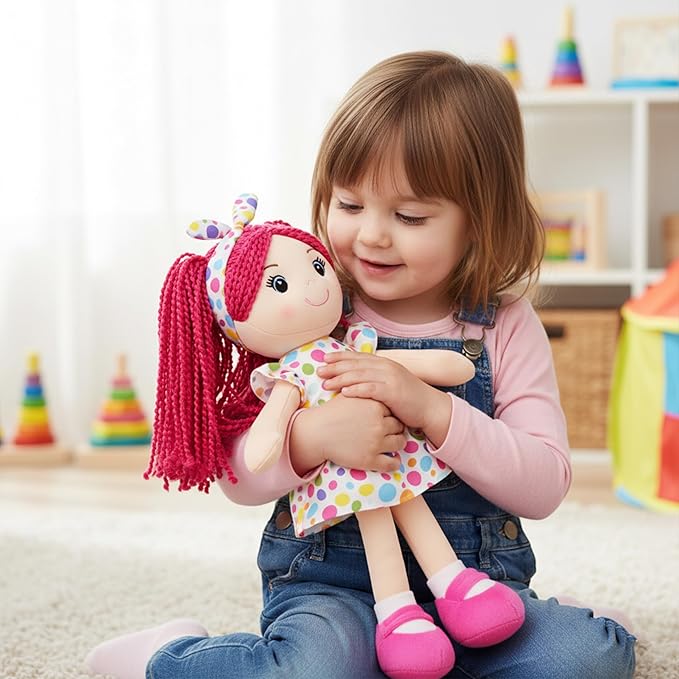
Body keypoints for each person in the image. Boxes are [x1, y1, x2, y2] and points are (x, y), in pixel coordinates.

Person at [85, 50, 636, 679]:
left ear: (479, 221)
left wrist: (432, 409)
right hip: (333, 589)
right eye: (349, 205)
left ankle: (552, 623)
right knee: (310, 671)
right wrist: (312, 437)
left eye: (409, 216)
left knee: (586, 659)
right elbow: (237, 475)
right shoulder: (307, 310)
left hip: (472, 586)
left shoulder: (503, 324)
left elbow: (544, 485)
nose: (372, 235)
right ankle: (166, 654)